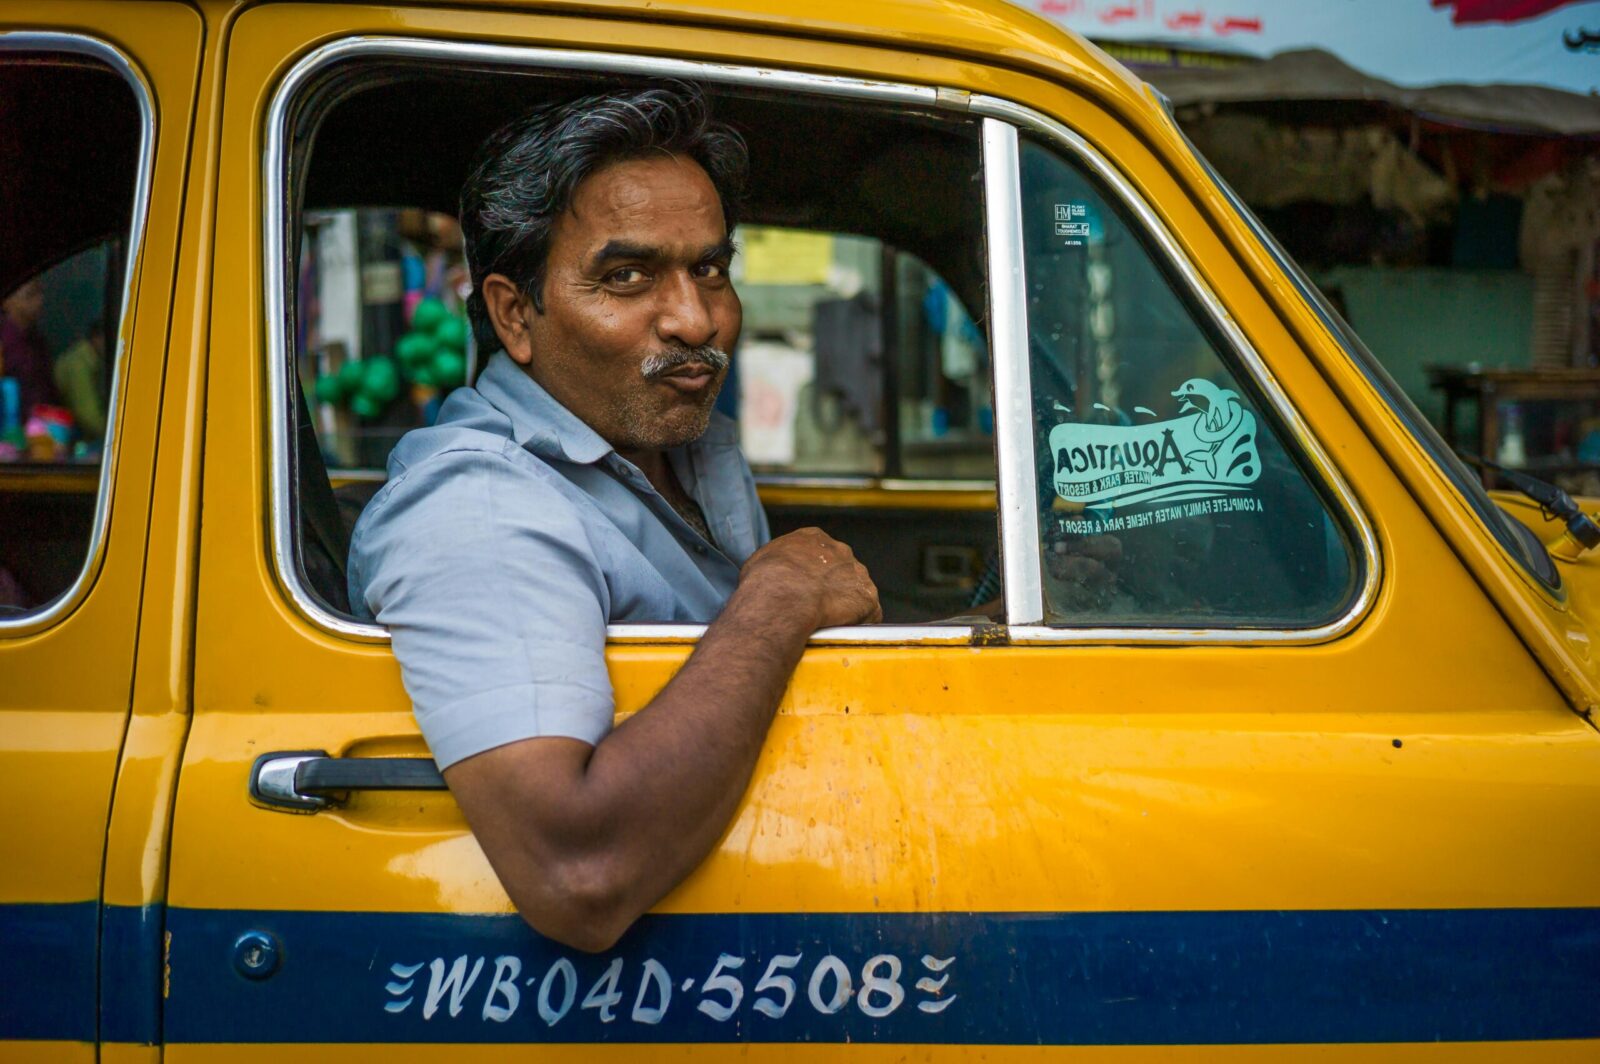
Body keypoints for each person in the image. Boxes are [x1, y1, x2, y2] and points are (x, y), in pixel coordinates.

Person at [347, 83, 881, 952]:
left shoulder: (683, 445)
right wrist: (777, 601)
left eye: (710, 268)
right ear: (515, 314)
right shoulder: (481, 509)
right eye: (627, 277)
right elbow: (576, 875)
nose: (696, 319)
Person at [0, 281, 58, 417]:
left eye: (40, 293)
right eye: (30, 295)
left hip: (45, 424)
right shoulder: (4, 341)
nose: (39, 301)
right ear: (7, 301)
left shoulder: (38, 341)